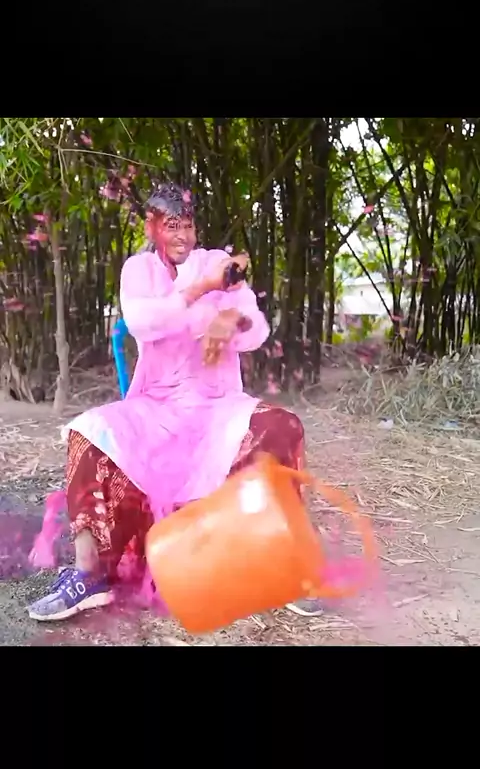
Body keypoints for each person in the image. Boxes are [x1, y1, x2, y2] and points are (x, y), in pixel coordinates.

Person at [28, 182, 322, 622]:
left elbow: (258, 330)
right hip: (156, 406)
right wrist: (200, 289)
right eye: (171, 226)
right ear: (152, 227)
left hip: (219, 407)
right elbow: (142, 322)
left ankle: (284, 563)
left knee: (283, 426)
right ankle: (90, 574)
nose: (182, 236)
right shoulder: (139, 269)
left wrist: (232, 317)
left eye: (188, 225)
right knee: (89, 430)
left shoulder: (218, 263)